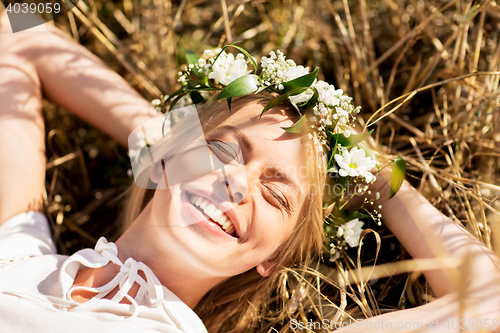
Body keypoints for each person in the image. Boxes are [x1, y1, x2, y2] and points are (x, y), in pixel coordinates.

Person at [0, 12, 499, 333]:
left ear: (274, 259)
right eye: (224, 153)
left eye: (277, 195)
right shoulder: (16, 250)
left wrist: (383, 183)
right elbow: (18, 27)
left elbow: (488, 301)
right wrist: (170, 141)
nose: (237, 183)